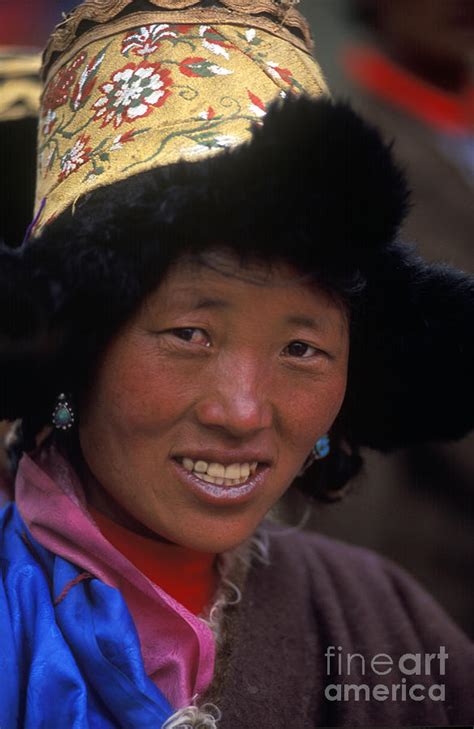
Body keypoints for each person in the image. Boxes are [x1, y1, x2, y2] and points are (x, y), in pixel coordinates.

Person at [0, 1, 473, 727]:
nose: (243, 411)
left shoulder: (389, 626)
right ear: (72, 351)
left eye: (302, 348)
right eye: (190, 334)